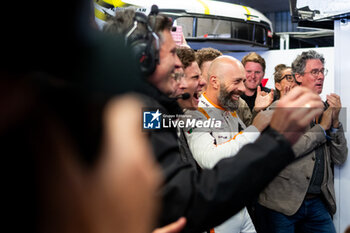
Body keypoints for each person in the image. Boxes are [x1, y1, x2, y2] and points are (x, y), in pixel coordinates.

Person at [103, 8, 325, 232]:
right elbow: (191, 196)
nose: (179, 65)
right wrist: (275, 139)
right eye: (172, 54)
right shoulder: (144, 115)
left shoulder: (154, 110)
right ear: (143, 57)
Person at [256, 50, 348, 233]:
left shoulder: (327, 108)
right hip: (282, 204)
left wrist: (336, 123)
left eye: (322, 71)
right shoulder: (279, 107)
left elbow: (340, 157)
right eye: (314, 72)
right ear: (298, 76)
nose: (320, 76)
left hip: (317, 203)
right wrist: (321, 128)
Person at [184, 55, 275, 233]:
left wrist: (258, 115)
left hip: (238, 205)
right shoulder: (194, 113)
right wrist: (255, 128)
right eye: (237, 81)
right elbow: (210, 160)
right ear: (215, 82)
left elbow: (243, 148)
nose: (242, 88)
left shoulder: (229, 109)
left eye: (243, 81)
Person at [195, 47, 253, 126]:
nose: (242, 88)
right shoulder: (191, 108)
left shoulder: (236, 103)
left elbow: (249, 132)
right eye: (211, 72)